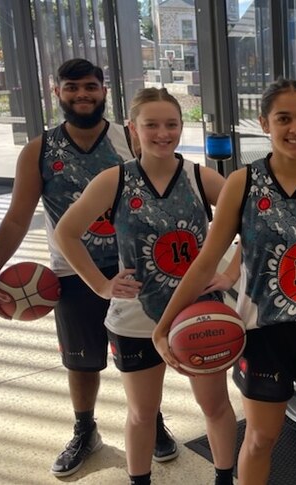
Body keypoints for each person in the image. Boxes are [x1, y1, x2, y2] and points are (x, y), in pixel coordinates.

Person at [152, 79, 296, 485]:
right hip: (263, 331)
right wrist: (164, 324)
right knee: (260, 437)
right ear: (263, 123)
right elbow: (205, 262)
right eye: (283, 119)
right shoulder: (243, 183)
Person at [0, 59, 178, 477]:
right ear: (57, 92)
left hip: (130, 267)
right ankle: (86, 431)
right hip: (72, 270)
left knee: (141, 356)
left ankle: (151, 421)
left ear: (104, 90)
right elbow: (17, 217)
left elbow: (163, 192)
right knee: (81, 360)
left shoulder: (129, 139)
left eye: (90, 86)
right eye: (72, 88)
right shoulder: (39, 150)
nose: (82, 94)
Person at [53, 88, 237, 485]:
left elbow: (254, 222)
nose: (162, 133)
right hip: (136, 317)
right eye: (151, 125)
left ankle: (225, 479)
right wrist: (101, 285)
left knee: (216, 406)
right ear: (133, 129)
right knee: (142, 413)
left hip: (198, 311)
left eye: (171, 124)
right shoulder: (114, 180)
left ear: (181, 127)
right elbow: (66, 233)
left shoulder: (198, 176)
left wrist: (232, 273)